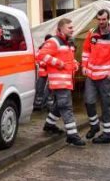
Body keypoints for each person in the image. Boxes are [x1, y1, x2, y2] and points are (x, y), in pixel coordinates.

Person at [36, 18, 86, 147]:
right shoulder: (53, 41)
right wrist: (58, 63)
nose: (72, 29)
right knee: (66, 106)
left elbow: (68, 59)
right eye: (69, 27)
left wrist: (74, 63)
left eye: (72, 27)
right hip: (59, 81)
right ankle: (72, 135)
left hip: (66, 80)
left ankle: (49, 125)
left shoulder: (67, 43)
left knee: (60, 105)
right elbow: (40, 55)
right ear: (61, 28)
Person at [82, 9, 110, 144]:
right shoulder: (91, 33)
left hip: (106, 77)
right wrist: (84, 66)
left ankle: (107, 134)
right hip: (91, 74)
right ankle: (95, 126)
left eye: (104, 19)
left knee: (106, 105)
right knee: (88, 101)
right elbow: (86, 50)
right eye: (99, 19)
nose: (101, 22)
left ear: (108, 19)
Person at [34, 34, 53, 111]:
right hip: (42, 73)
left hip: (50, 73)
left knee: (50, 90)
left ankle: (48, 106)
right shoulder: (41, 49)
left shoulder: (53, 48)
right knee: (40, 89)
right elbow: (37, 59)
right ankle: (38, 105)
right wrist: (44, 64)